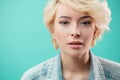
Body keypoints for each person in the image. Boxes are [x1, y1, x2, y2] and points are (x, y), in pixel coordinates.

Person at [21, 0, 120, 80]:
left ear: (95, 30)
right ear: (53, 31)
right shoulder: (31, 78)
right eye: (64, 22)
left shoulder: (117, 75)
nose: (75, 32)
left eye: (85, 23)